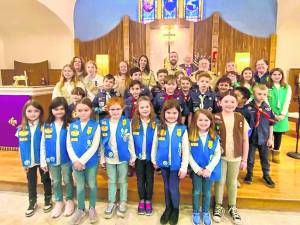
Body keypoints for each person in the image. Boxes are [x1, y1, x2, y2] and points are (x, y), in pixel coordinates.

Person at [213, 92, 249, 225]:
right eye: (226, 101)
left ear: (237, 103)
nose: (229, 104)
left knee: (232, 181)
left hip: (236, 156)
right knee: (220, 181)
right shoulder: (214, 117)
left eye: (232, 102)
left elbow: (245, 140)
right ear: (220, 102)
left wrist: (244, 159)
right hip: (220, 157)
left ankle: (232, 206)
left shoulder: (240, 117)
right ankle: (218, 205)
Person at [151, 99, 189, 225]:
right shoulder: (159, 128)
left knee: (173, 188)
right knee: (166, 187)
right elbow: (154, 145)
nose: (171, 116)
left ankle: (175, 209)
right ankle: (168, 208)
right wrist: (154, 160)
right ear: (163, 113)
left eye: (174, 113)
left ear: (179, 114)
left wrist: (184, 167)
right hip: (163, 163)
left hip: (176, 165)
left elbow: (185, 149)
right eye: (168, 113)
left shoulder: (182, 129)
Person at [100, 97, 136, 219]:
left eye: (118, 109)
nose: (115, 112)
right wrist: (102, 158)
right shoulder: (104, 123)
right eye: (112, 109)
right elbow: (102, 142)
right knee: (111, 180)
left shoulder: (126, 122)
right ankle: (111, 202)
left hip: (123, 157)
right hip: (109, 157)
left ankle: (123, 202)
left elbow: (130, 139)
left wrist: (132, 155)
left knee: (122, 180)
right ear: (108, 110)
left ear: (123, 109)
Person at [67, 98, 100, 225]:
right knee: (80, 186)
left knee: (92, 185)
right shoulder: (72, 126)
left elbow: (94, 146)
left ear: (91, 110)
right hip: (75, 163)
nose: (83, 113)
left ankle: (92, 207)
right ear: (76, 111)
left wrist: (82, 161)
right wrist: (76, 161)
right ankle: (81, 209)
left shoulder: (95, 126)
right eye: (80, 110)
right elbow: (69, 145)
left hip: (90, 162)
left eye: (86, 110)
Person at [16, 100, 52, 217]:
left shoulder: (44, 126)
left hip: (42, 160)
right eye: (29, 111)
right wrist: (23, 163)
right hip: (28, 161)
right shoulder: (21, 128)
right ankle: (32, 202)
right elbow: (20, 148)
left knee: (45, 179)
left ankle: (48, 199)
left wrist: (46, 161)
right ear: (25, 113)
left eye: (36, 111)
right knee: (31, 181)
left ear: (40, 112)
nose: (32, 114)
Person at [40, 97, 74, 218]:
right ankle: (59, 201)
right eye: (56, 109)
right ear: (51, 110)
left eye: (61, 109)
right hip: (52, 160)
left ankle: (69, 200)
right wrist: (43, 161)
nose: (59, 111)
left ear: (65, 110)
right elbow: (43, 144)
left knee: (68, 180)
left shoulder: (70, 124)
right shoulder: (47, 125)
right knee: (56, 181)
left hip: (66, 160)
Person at [189, 109, 221, 225]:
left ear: (211, 121)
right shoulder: (191, 135)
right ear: (195, 121)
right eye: (200, 120)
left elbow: (217, 154)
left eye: (206, 120)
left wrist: (209, 169)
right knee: (197, 191)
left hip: (208, 171)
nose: (203, 122)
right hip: (196, 170)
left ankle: (206, 212)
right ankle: (196, 211)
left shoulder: (214, 136)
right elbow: (187, 154)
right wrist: (197, 169)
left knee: (207, 192)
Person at [244, 84, 276, 188]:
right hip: (251, 138)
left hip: (264, 137)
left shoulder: (267, 108)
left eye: (264, 94)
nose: (262, 96)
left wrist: (270, 138)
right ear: (253, 94)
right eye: (259, 94)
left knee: (265, 158)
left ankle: (266, 175)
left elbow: (271, 124)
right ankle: (249, 174)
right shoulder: (248, 108)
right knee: (250, 158)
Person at [131, 96, 157, 215]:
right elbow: (130, 140)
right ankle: (142, 200)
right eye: (142, 107)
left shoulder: (156, 122)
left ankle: (148, 200)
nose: (145, 109)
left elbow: (158, 141)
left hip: (151, 158)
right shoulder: (133, 122)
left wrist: (155, 158)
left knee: (150, 179)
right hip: (138, 157)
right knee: (140, 179)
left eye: (147, 106)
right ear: (138, 109)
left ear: (150, 108)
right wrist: (132, 157)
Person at [267, 68, 292, 163]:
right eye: (274, 74)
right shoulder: (267, 86)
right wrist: (272, 114)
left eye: (279, 74)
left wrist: (282, 114)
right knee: (269, 133)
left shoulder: (286, 87)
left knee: (278, 134)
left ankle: (276, 153)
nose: (277, 76)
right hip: (269, 114)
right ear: (270, 76)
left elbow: (287, 101)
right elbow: (265, 101)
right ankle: (268, 151)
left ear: (282, 76)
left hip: (282, 114)